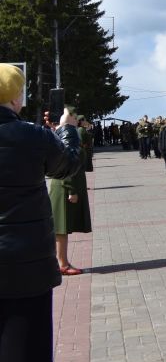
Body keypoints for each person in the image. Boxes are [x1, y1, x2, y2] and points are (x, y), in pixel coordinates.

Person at [0, 63, 82, 362]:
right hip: (27, 265)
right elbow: (68, 165)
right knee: (28, 354)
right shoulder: (30, 135)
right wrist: (68, 129)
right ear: (15, 97)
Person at [47, 108, 93, 275]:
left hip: (65, 185)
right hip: (64, 186)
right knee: (61, 228)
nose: (76, 119)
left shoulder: (69, 133)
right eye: (73, 116)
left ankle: (61, 262)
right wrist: (71, 189)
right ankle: (62, 264)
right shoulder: (67, 134)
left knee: (62, 228)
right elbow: (65, 163)